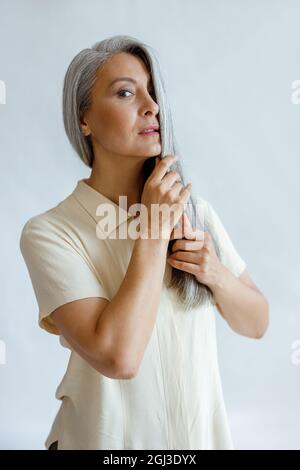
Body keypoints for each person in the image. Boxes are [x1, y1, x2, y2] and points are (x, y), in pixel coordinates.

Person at [19, 35, 269, 450]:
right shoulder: (51, 232)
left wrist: (216, 274)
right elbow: (119, 357)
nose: (152, 106)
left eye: (153, 93)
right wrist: (153, 231)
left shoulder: (195, 213)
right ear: (85, 120)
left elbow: (257, 323)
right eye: (126, 92)